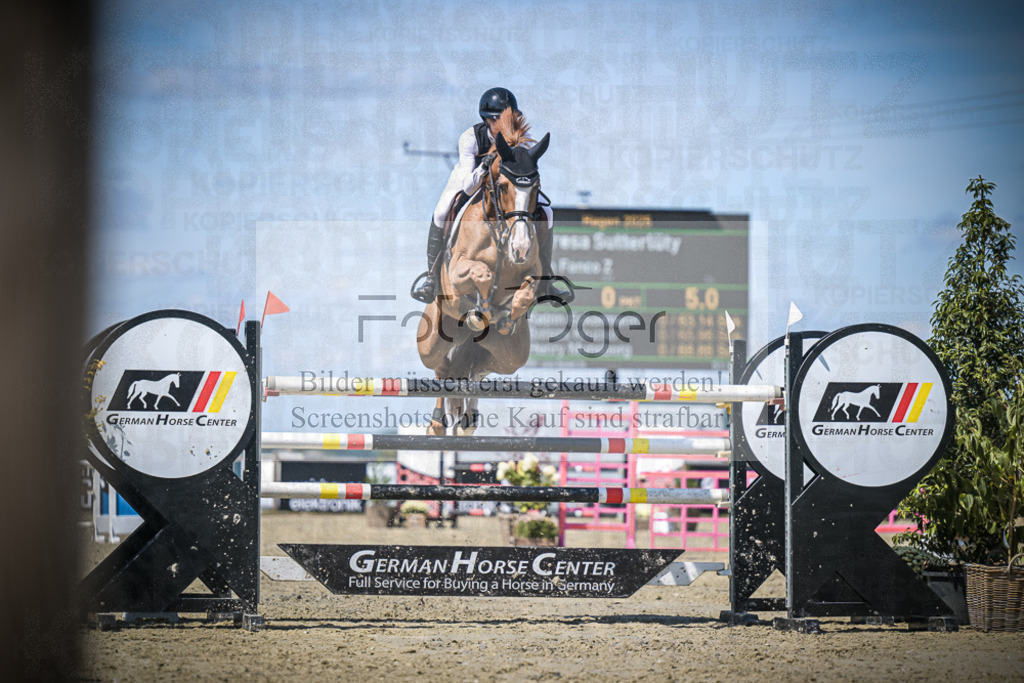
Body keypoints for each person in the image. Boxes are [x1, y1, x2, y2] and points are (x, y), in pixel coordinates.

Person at [411, 87, 555, 304]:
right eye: (501, 118)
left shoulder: (519, 137)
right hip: (470, 179)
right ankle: (431, 277)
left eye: (511, 116)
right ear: (488, 120)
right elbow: (468, 187)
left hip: (504, 188)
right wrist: (484, 168)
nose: (508, 123)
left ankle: (546, 278)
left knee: (548, 212)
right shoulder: (470, 138)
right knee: (441, 212)